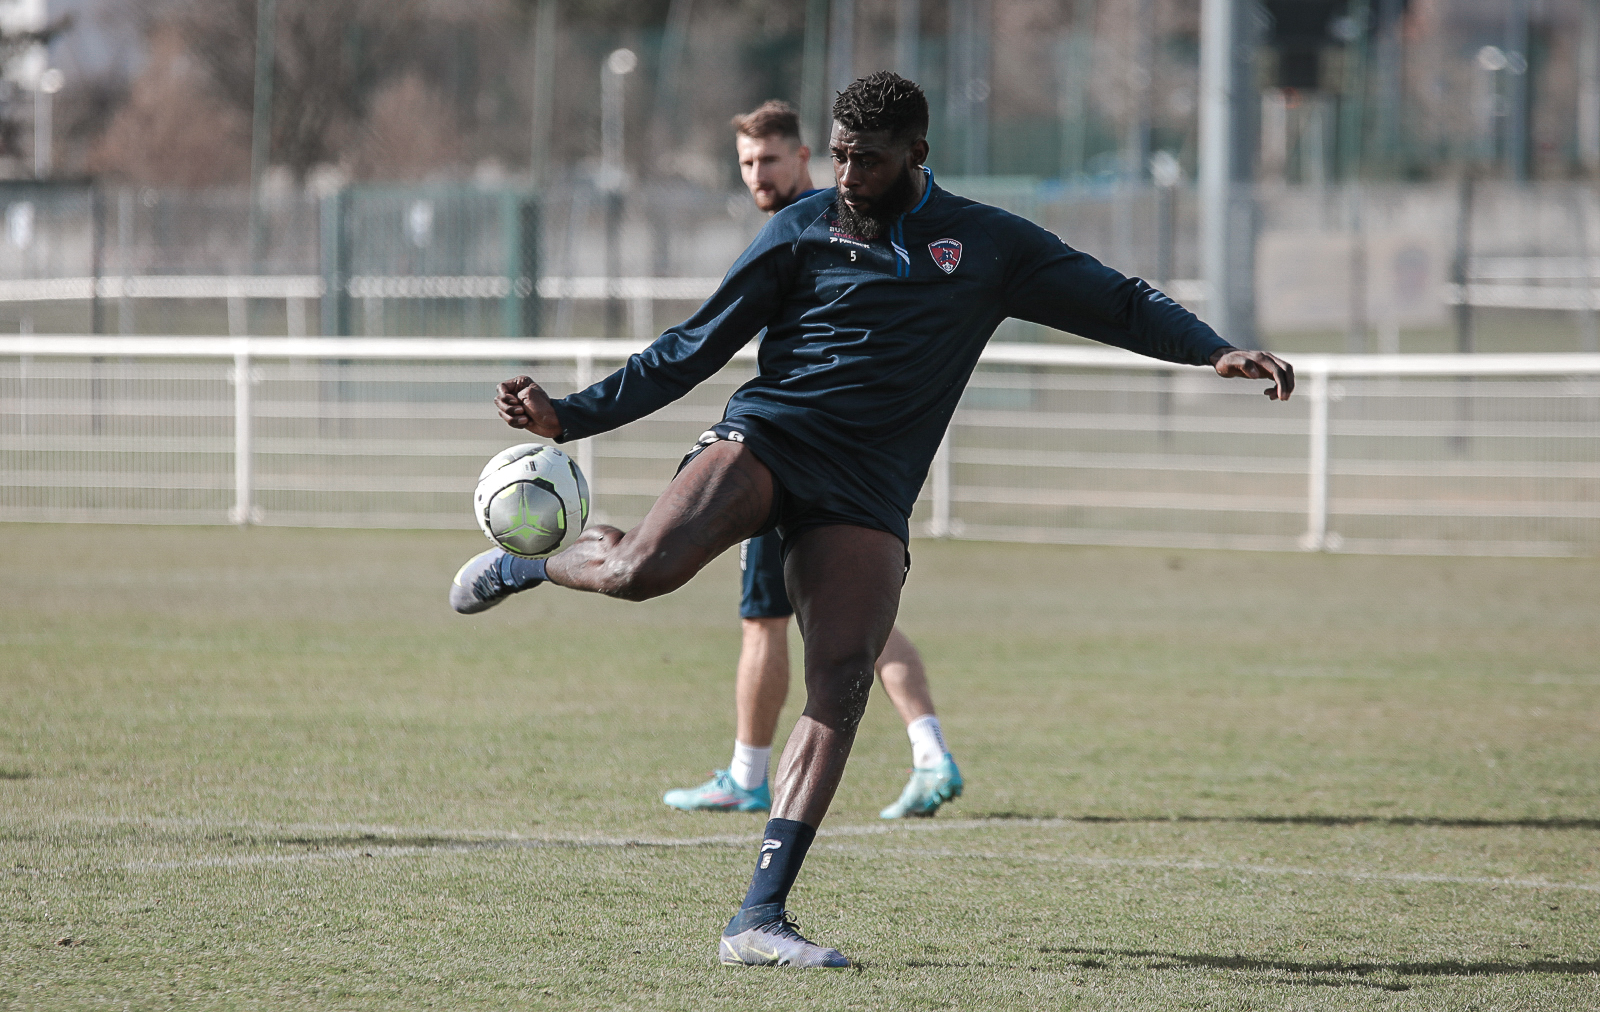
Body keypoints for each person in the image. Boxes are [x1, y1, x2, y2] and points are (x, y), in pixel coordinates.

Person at [451, 72, 1294, 968]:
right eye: (842, 152)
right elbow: (691, 347)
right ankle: (529, 565)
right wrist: (568, 416)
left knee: (845, 676)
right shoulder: (802, 229)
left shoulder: (987, 244)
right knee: (640, 572)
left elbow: (1116, 298)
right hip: (771, 438)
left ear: (917, 156)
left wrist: (1214, 349)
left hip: (868, 490)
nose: (849, 173)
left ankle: (758, 921)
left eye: (870, 158)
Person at [659, 100, 962, 821]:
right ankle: (929, 750)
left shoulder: (818, 221)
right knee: (850, 623)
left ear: (803, 158)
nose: (757, 175)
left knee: (767, 617)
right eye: (745, 164)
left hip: (796, 455)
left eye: (769, 160)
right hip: (837, 457)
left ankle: (748, 774)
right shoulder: (809, 222)